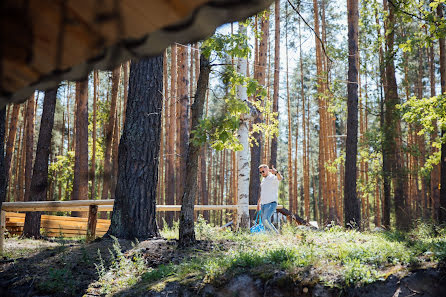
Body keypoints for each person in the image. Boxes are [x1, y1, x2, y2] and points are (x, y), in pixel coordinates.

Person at [257, 164, 282, 234]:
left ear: (267, 169)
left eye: (263, 171)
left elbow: (280, 178)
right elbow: (263, 192)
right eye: (260, 172)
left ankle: (277, 235)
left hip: (271, 203)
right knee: (264, 222)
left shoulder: (273, 177)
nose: (262, 173)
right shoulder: (263, 180)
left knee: (266, 220)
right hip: (263, 204)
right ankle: (271, 236)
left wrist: (276, 172)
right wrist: (259, 202)